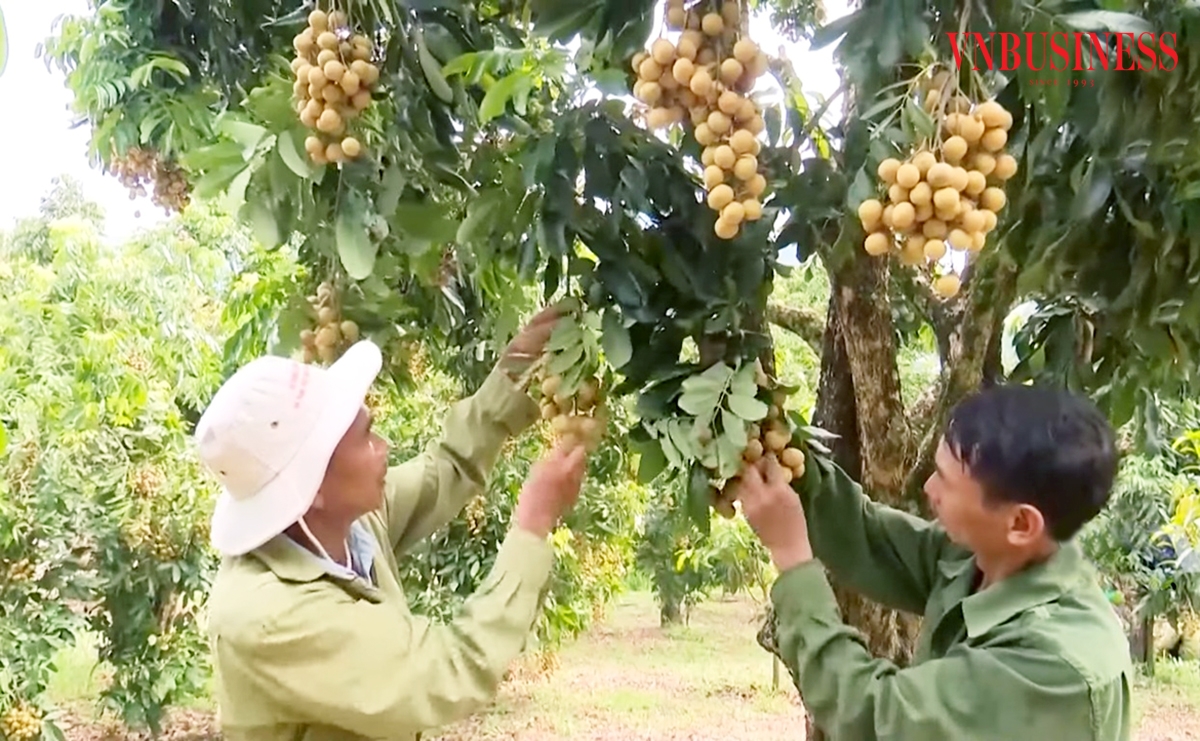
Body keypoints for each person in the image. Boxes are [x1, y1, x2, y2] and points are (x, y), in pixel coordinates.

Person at [193, 306, 587, 741]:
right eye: (365, 437)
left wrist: (514, 369)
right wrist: (533, 523)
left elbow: (447, 467)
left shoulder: (346, 524)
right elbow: (450, 671)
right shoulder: (269, 618)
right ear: (313, 485)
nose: (384, 447)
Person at [735, 383, 1132, 740]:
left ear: (1020, 523)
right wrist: (786, 461)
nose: (929, 489)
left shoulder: (1054, 665)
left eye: (945, 479)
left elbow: (874, 717)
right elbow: (866, 538)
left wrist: (791, 557)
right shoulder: (986, 557)